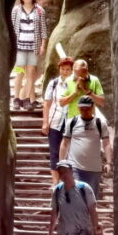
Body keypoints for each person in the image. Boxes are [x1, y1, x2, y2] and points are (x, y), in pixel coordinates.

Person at [59, 95, 112, 199]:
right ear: (78, 108)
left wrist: (108, 162)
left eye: (87, 108)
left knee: (91, 200)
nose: (84, 111)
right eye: (82, 108)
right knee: (76, 198)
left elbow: (106, 143)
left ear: (92, 107)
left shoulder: (100, 123)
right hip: (75, 168)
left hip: (94, 169)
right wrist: (62, 163)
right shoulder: (72, 122)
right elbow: (64, 143)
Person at [10, 0, 47, 111]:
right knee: (19, 72)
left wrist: (43, 45)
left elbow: (43, 30)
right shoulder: (16, 10)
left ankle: (26, 100)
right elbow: (12, 27)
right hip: (19, 46)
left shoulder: (39, 10)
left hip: (33, 45)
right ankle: (16, 99)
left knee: (31, 73)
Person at [41, 57, 74, 186]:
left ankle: (67, 180)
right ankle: (55, 182)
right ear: (59, 69)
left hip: (70, 122)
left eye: (68, 69)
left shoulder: (75, 84)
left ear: (72, 71)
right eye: (62, 69)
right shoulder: (53, 83)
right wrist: (45, 122)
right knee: (54, 152)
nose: (65, 72)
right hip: (55, 122)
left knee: (69, 152)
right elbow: (47, 104)